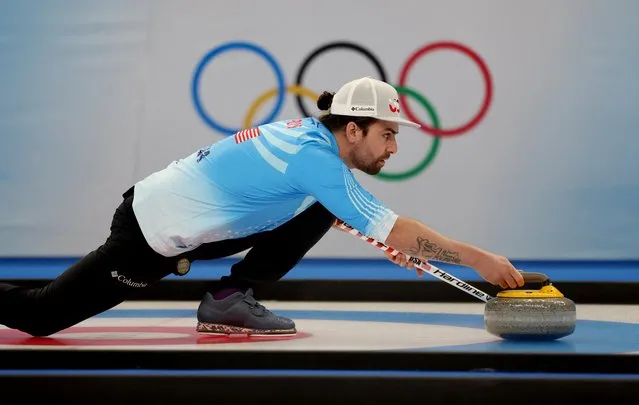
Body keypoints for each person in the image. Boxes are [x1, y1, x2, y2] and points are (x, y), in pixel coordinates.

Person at [0, 77, 524, 337]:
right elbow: (393, 226)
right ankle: (229, 295)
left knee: (327, 207)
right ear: (353, 129)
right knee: (42, 317)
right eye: (387, 134)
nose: (393, 147)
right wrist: (480, 260)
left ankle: (230, 295)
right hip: (149, 235)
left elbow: (361, 217)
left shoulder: (318, 152)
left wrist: (392, 240)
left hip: (199, 232)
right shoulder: (314, 159)